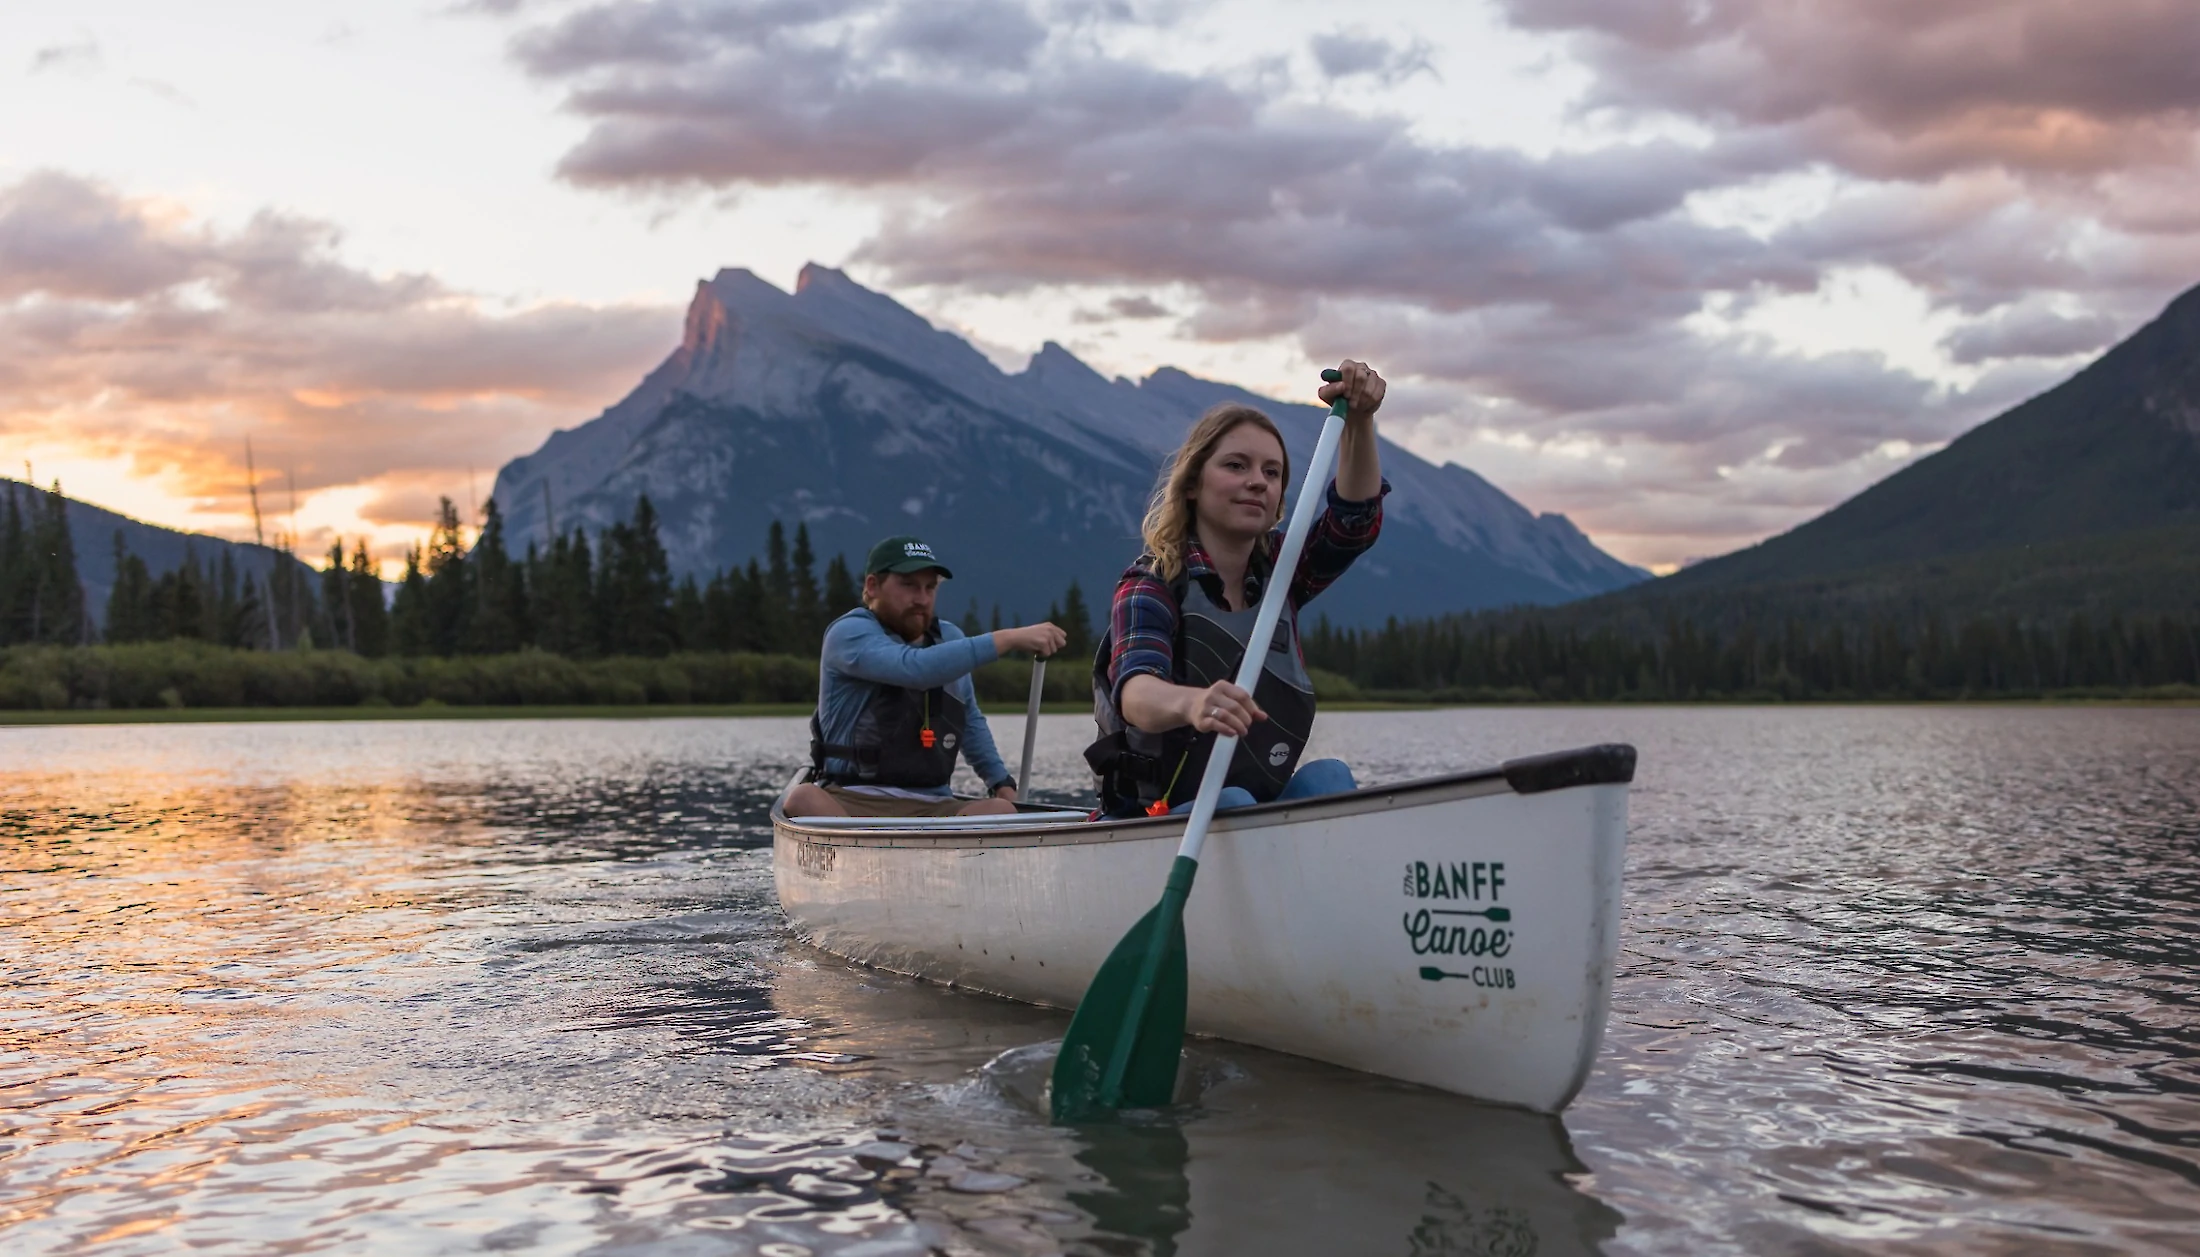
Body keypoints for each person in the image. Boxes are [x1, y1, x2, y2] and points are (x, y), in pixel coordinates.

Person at [1086, 361, 1388, 817]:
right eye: (1236, 465)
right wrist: (1194, 703)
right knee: (1234, 803)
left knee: (1331, 778)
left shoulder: (1283, 572)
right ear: (1191, 485)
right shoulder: (1150, 583)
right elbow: (1136, 694)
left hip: (1249, 809)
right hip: (1156, 815)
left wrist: (1360, 421)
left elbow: (1353, 523)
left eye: (1272, 473)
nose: (1257, 481)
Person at [784, 535, 1066, 818]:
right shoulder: (848, 634)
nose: (921, 598)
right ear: (872, 586)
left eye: (930, 587)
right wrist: (1007, 639)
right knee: (803, 798)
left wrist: (1001, 784)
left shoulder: (949, 639)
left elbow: (969, 720)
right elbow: (915, 669)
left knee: (1000, 810)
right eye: (908, 585)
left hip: (933, 805)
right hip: (848, 799)